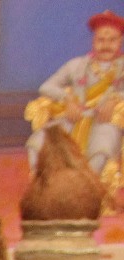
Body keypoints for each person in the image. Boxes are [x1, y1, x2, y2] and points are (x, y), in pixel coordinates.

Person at [27, 11, 124, 181]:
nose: (106, 45)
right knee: (38, 143)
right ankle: (44, 189)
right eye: (101, 40)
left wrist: (116, 99)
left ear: (120, 42)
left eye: (112, 40)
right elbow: (46, 87)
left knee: (102, 148)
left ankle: (88, 193)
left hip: (104, 122)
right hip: (74, 118)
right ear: (93, 41)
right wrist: (67, 99)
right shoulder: (77, 65)